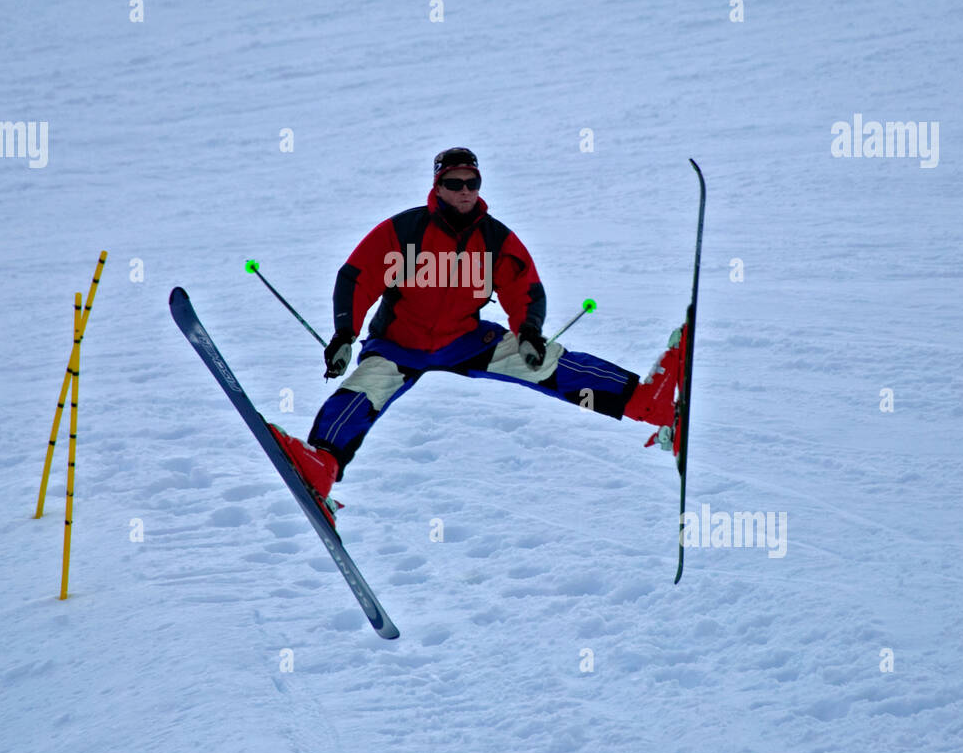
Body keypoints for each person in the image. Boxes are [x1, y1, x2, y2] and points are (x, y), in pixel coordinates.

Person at [271, 147, 685, 523]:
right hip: (400, 343)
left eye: (473, 182)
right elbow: (357, 277)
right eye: (455, 183)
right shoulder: (406, 231)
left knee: (544, 362)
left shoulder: (494, 238)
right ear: (438, 186)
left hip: (463, 339)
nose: (465, 191)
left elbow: (525, 288)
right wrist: (346, 333)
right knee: (363, 392)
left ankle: (650, 403)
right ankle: (321, 465)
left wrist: (528, 333)